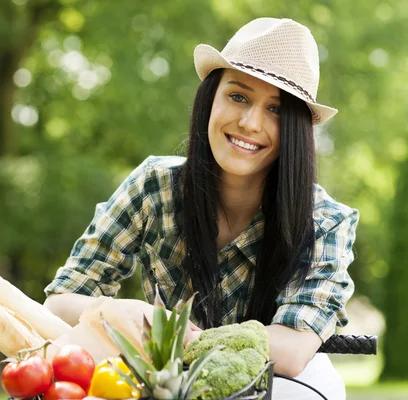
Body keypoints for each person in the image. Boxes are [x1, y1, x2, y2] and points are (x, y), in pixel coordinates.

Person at [44, 17, 358, 400]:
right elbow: (60, 301)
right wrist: (118, 312)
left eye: (275, 109)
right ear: (210, 98)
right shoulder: (153, 187)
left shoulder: (325, 220)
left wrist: (169, 334)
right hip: (168, 377)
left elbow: (291, 351)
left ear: (296, 128)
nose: (249, 123)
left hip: (284, 383)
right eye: (238, 96)